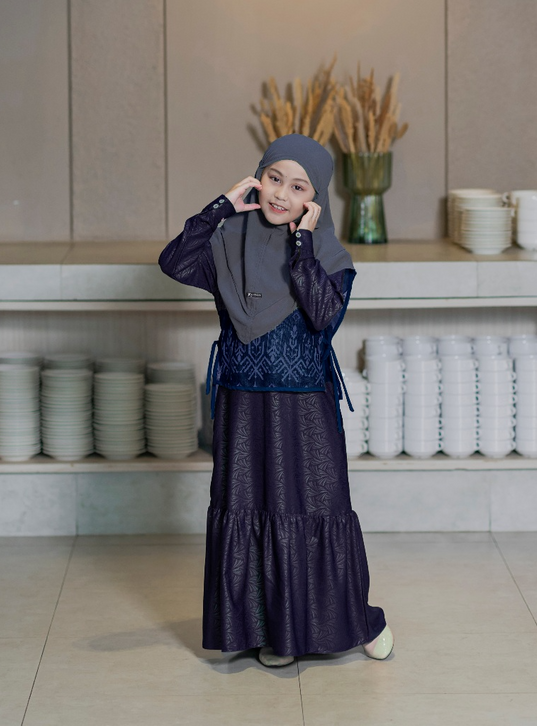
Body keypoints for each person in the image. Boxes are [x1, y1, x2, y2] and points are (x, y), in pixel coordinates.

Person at [158, 134, 393, 667]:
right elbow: (174, 261)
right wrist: (221, 207)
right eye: (273, 178)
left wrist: (302, 244)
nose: (282, 193)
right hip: (242, 406)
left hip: (305, 408)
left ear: (316, 198)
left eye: (298, 186)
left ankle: (358, 621)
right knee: (250, 509)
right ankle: (274, 633)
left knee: (315, 511)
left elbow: (323, 315)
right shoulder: (227, 246)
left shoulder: (329, 255)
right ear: (257, 178)